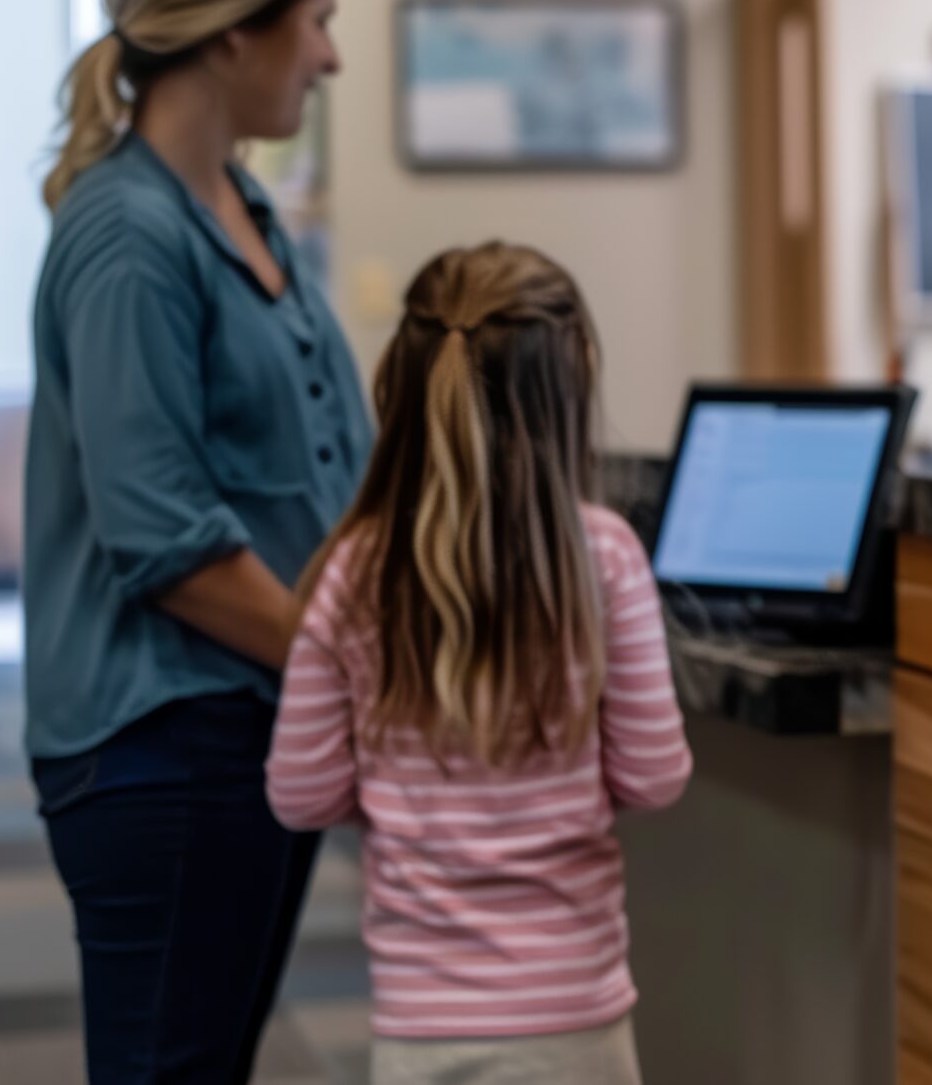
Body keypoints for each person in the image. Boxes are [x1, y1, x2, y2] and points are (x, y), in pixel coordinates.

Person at [24, 0, 365, 1080]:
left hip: (250, 719)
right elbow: (162, 535)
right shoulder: (127, 233)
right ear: (233, 32)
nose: (330, 55)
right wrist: (363, 667)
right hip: (162, 740)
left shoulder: (240, 200)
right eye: (316, 21)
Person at [266, 242, 692, 1083]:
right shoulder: (604, 559)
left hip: (420, 1026)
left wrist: (403, 794)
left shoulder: (353, 573)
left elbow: (301, 792)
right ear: (570, 387)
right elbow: (654, 775)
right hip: (574, 1016)